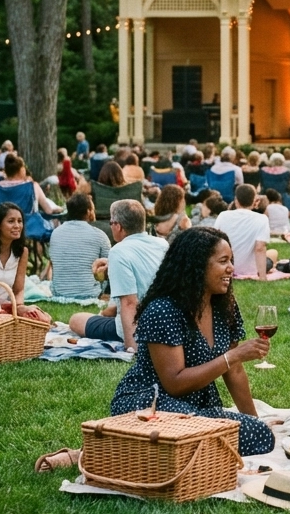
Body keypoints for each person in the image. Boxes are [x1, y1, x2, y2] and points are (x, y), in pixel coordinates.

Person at [109, 228, 275, 455]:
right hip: (151, 403)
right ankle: (99, 451)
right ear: (197, 265)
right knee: (217, 437)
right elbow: (174, 383)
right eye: (223, 261)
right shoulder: (163, 310)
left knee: (258, 433)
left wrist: (254, 419)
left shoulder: (223, 306)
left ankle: (149, 450)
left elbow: (234, 371)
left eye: (232, 260)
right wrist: (232, 356)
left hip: (197, 406)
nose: (231, 268)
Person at [68, 199, 168, 350]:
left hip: (137, 327)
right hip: (164, 323)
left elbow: (129, 303)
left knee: (75, 320)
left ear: (118, 226)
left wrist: (132, 347)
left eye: (110, 223)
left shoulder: (119, 251)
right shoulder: (162, 244)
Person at [47, 192, 111, 302]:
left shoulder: (55, 233)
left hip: (60, 292)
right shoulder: (99, 235)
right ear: (88, 211)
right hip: (91, 293)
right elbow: (111, 266)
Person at [216, 184, 272, 278]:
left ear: (236, 200)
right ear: (254, 200)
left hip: (226, 266)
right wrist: (263, 277)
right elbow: (260, 248)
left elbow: (216, 241)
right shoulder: (262, 219)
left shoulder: (223, 216)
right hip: (251, 269)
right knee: (273, 253)